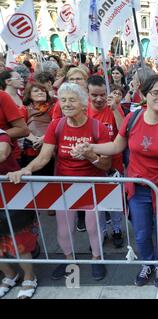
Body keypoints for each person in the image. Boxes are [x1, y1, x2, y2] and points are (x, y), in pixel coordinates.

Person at [74, 75, 158, 286]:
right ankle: (148, 264)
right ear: (144, 95)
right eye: (155, 93)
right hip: (137, 189)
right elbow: (116, 147)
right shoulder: (132, 119)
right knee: (141, 234)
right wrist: (91, 148)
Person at [7, 83, 112, 282]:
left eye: (72, 99)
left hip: (91, 184)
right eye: (63, 100)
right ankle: (68, 260)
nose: (66, 103)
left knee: (92, 226)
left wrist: (90, 155)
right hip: (63, 184)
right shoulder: (57, 125)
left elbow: (105, 164)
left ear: (83, 104)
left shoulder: (97, 127)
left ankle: (97, 259)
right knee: (64, 228)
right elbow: (45, 156)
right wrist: (27, 169)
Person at [86, 75, 125, 248]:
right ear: (88, 93)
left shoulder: (113, 107)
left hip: (114, 164)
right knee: (96, 203)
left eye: (102, 94)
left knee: (114, 201)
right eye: (94, 95)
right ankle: (101, 232)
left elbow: (124, 129)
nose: (99, 98)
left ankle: (117, 229)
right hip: (91, 165)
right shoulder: (83, 109)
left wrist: (115, 109)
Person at [0, 129, 38, 299]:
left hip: (11, 196)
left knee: (19, 240)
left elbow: (2, 154)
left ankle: (29, 277)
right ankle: (9, 275)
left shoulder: (2, 135)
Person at [19, 82, 55, 174]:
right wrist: (35, 140)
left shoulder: (53, 107)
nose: (41, 92)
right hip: (31, 150)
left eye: (43, 91)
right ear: (29, 95)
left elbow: (56, 124)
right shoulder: (24, 109)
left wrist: (44, 138)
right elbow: (21, 127)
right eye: (36, 91)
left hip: (50, 150)